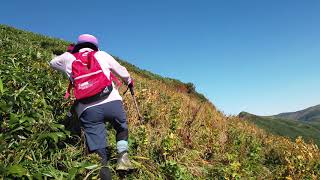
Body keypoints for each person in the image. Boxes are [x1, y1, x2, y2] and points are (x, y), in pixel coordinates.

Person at [50, 34, 134, 179]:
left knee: (99, 150)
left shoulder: (68, 58)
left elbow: (52, 63)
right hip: (112, 102)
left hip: (88, 110)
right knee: (121, 127)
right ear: (95, 46)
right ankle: (122, 157)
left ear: (78, 45)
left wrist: (69, 53)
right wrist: (129, 82)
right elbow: (122, 71)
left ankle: (104, 169)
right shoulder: (101, 54)